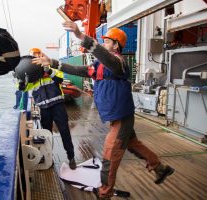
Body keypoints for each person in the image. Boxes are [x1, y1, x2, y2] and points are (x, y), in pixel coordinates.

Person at [32, 22, 174, 199]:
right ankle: (160, 169)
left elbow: (106, 57)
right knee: (133, 144)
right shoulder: (99, 66)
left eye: (107, 41)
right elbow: (78, 69)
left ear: (116, 45)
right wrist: (51, 62)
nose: (104, 43)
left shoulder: (119, 63)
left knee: (110, 153)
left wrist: (80, 36)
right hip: (117, 116)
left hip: (122, 117)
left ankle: (104, 192)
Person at [19, 47, 77, 170]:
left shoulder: (51, 67)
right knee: (47, 134)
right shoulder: (30, 74)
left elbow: (60, 79)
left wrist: (48, 70)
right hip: (43, 108)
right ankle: (48, 158)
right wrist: (21, 81)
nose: (36, 58)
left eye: (38, 55)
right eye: (33, 56)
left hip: (58, 105)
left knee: (64, 131)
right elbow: (23, 89)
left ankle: (71, 157)